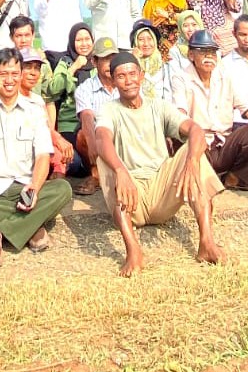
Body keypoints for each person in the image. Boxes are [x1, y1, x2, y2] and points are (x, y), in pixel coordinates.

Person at [95, 52, 224, 277]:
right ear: (113, 82)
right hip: (131, 195)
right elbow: (102, 139)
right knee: (106, 162)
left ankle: (206, 242)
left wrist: (192, 161)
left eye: (133, 74)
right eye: (121, 76)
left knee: (193, 152)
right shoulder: (109, 109)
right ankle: (133, 250)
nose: (128, 81)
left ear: (142, 76)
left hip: (161, 189)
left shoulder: (159, 106)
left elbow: (195, 130)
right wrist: (120, 171)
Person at [0, 50, 73, 265]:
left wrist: (36, 188)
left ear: (20, 75)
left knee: (63, 189)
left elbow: (42, 156)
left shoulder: (34, 109)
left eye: (14, 73)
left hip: (23, 187)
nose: (9, 80)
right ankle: (30, 227)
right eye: (3, 74)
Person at [170, 30, 248, 191]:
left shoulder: (225, 76)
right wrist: (194, 136)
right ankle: (205, 178)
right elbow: (180, 114)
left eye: (212, 52)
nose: (209, 56)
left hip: (223, 142)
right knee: (181, 139)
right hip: (199, 144)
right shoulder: (181, 77)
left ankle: (235, 178)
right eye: (203, 52)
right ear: (191, 55)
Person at [43, 23, 96, 178]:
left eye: (87, 39)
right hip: (70, 123)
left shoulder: (98, 62)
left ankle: (94, 171)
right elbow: (53, 89)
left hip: (94, 123)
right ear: (72, 42)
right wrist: (73, 68)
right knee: (73, 163)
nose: (84, 43)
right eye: (79, 40)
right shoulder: (65, 61)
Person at [72, 36, 121, 194]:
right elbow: (86, 116)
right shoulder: (85, 88)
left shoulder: (125, 83)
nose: (110, 64)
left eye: (113, 59)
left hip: (122, 137)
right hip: (100, 138)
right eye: (105, 59)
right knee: (82, 136)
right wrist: (92, 141)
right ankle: (96, 174)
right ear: (94, 62)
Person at [130, 20, 176, 109]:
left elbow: (170, 95)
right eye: (141, 40)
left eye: (150, 39)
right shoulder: (130, 66)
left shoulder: (166, 66)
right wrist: (133, 61)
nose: (146, 44)